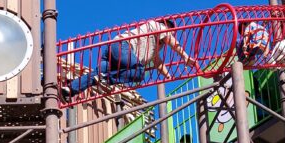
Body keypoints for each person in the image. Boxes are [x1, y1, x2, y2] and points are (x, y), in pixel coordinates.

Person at [64, 18, 198, 98]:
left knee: (96, 75)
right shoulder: (158, 27)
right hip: (122, 47)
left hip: (116, 52)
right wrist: (186, 58)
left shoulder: (155, 45)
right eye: (171, 33)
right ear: (166, 28)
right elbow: (173, 42)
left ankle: (70, 90)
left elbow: (157, 62)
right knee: (139, 72)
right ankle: (106, 78)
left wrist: (169, 76)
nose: (170, 37)